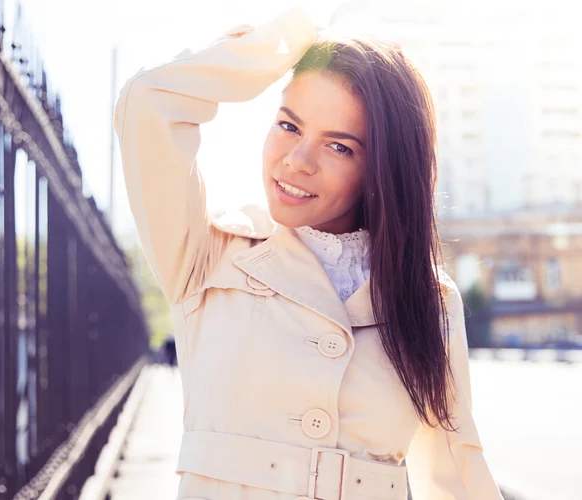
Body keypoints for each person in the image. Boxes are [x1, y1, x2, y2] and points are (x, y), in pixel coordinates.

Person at [114, 8, 503, 500]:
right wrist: (292, 39)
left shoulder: (427, 297)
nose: (297, 161)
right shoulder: (209, 252)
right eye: (289, 125)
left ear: (382, 169)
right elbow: (149, 102)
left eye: (339, 147)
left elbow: (456, 473)